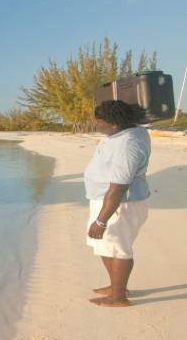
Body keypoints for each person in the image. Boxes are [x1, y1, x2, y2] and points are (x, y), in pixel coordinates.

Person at [84, 100, 150, 307]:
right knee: (104, 245)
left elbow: (118, 188)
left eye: (100, 121)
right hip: (107, 201)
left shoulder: (128, 144)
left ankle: (119, 297)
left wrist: (102, 220)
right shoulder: (122, 132)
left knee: (118, 248)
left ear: (114, 124)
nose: (96, 124)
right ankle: (116, 286)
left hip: (121, 204)